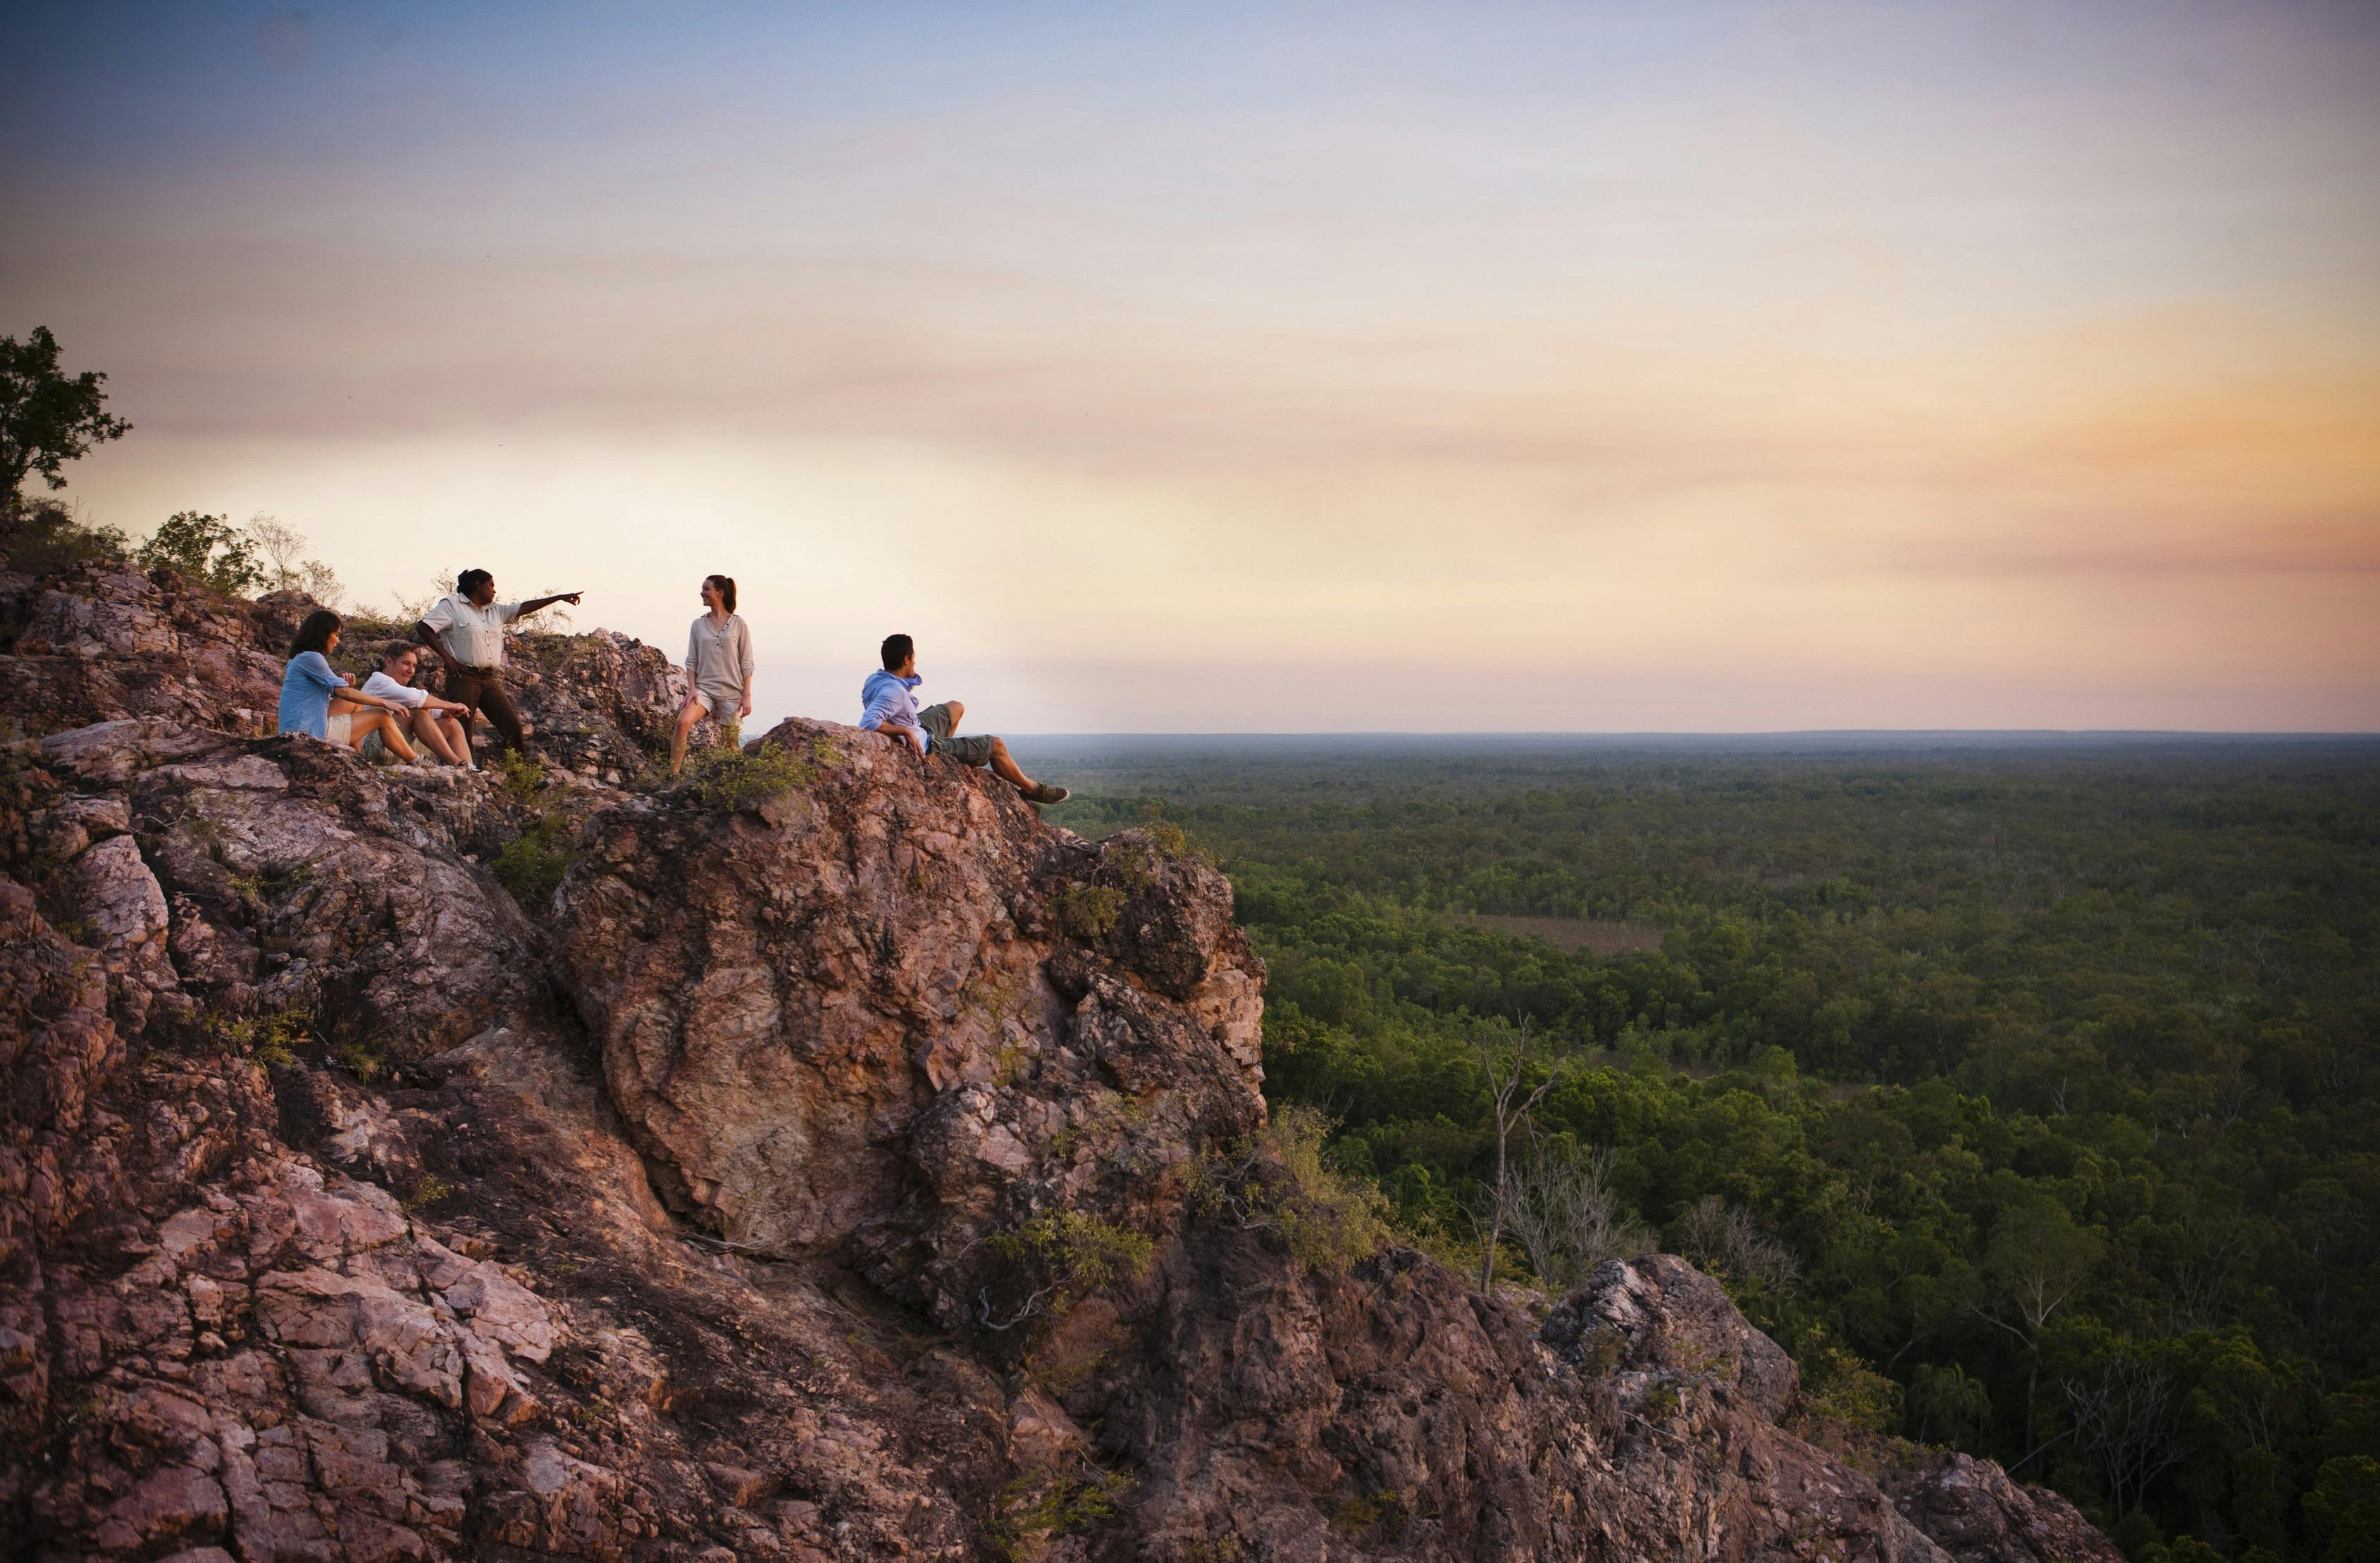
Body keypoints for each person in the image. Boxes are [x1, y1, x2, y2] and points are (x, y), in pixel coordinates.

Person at [859, 633, 1067, 804]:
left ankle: (949, 749)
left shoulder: (877, 679)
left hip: (918, 727)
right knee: (997, 745)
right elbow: (868, 724)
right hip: (923, 744)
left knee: (956, 707)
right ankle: (1032, 789)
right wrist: (904, 731)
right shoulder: (893, 691)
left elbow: (894, 704)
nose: (915, 661)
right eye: (913, 657)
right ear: (906, 660)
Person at [413, 569, 582, 761]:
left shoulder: (496, 611)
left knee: (511, 726)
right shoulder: (452, 605)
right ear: (478, 585)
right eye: (491, 585)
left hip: (488, 678)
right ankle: (466, 771)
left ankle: (517, 772)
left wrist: (559, 598)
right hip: (463, 677)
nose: (494, 591)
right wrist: (447, 658)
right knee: (463, 728)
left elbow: (524, 607)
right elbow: (423, 627)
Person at [278, 609, 422, 761]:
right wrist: (387, 703)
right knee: (382, 715)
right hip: (308, 733)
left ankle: (357, 758)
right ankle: (416, 761)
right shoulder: (312, 658)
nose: (338, 641)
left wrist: (348, 688)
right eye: (336, 635)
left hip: (299, 730)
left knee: (353, 703)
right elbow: (343, 692)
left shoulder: (300, 659)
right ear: (323, 634)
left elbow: (339, 697)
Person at [670, 573, 755, 776]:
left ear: (720, 593)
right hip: (704, 690)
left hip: (731, 692)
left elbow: (747, 662)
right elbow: (692, 660)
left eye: (706, 589)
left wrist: (747, 694)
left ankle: (737, 782)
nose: (702, 593)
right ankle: (672, 776)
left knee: (730, 746)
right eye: (703, 589)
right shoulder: (698, 625)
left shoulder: (739, 624)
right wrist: (691, 689)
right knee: (682, 723)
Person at [363, 642, 476, 767]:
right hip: (372, 751)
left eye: (414, 666)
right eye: (406, 664)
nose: (411, 671)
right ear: (389, 662)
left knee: (450, 724)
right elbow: (414, 699)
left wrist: (445, 712)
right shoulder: (379, 681)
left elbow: (423, 710)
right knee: (417, 711)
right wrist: (450, 705)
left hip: (394, 747)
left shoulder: (396, 688)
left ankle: (470, 769)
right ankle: (458, 763)